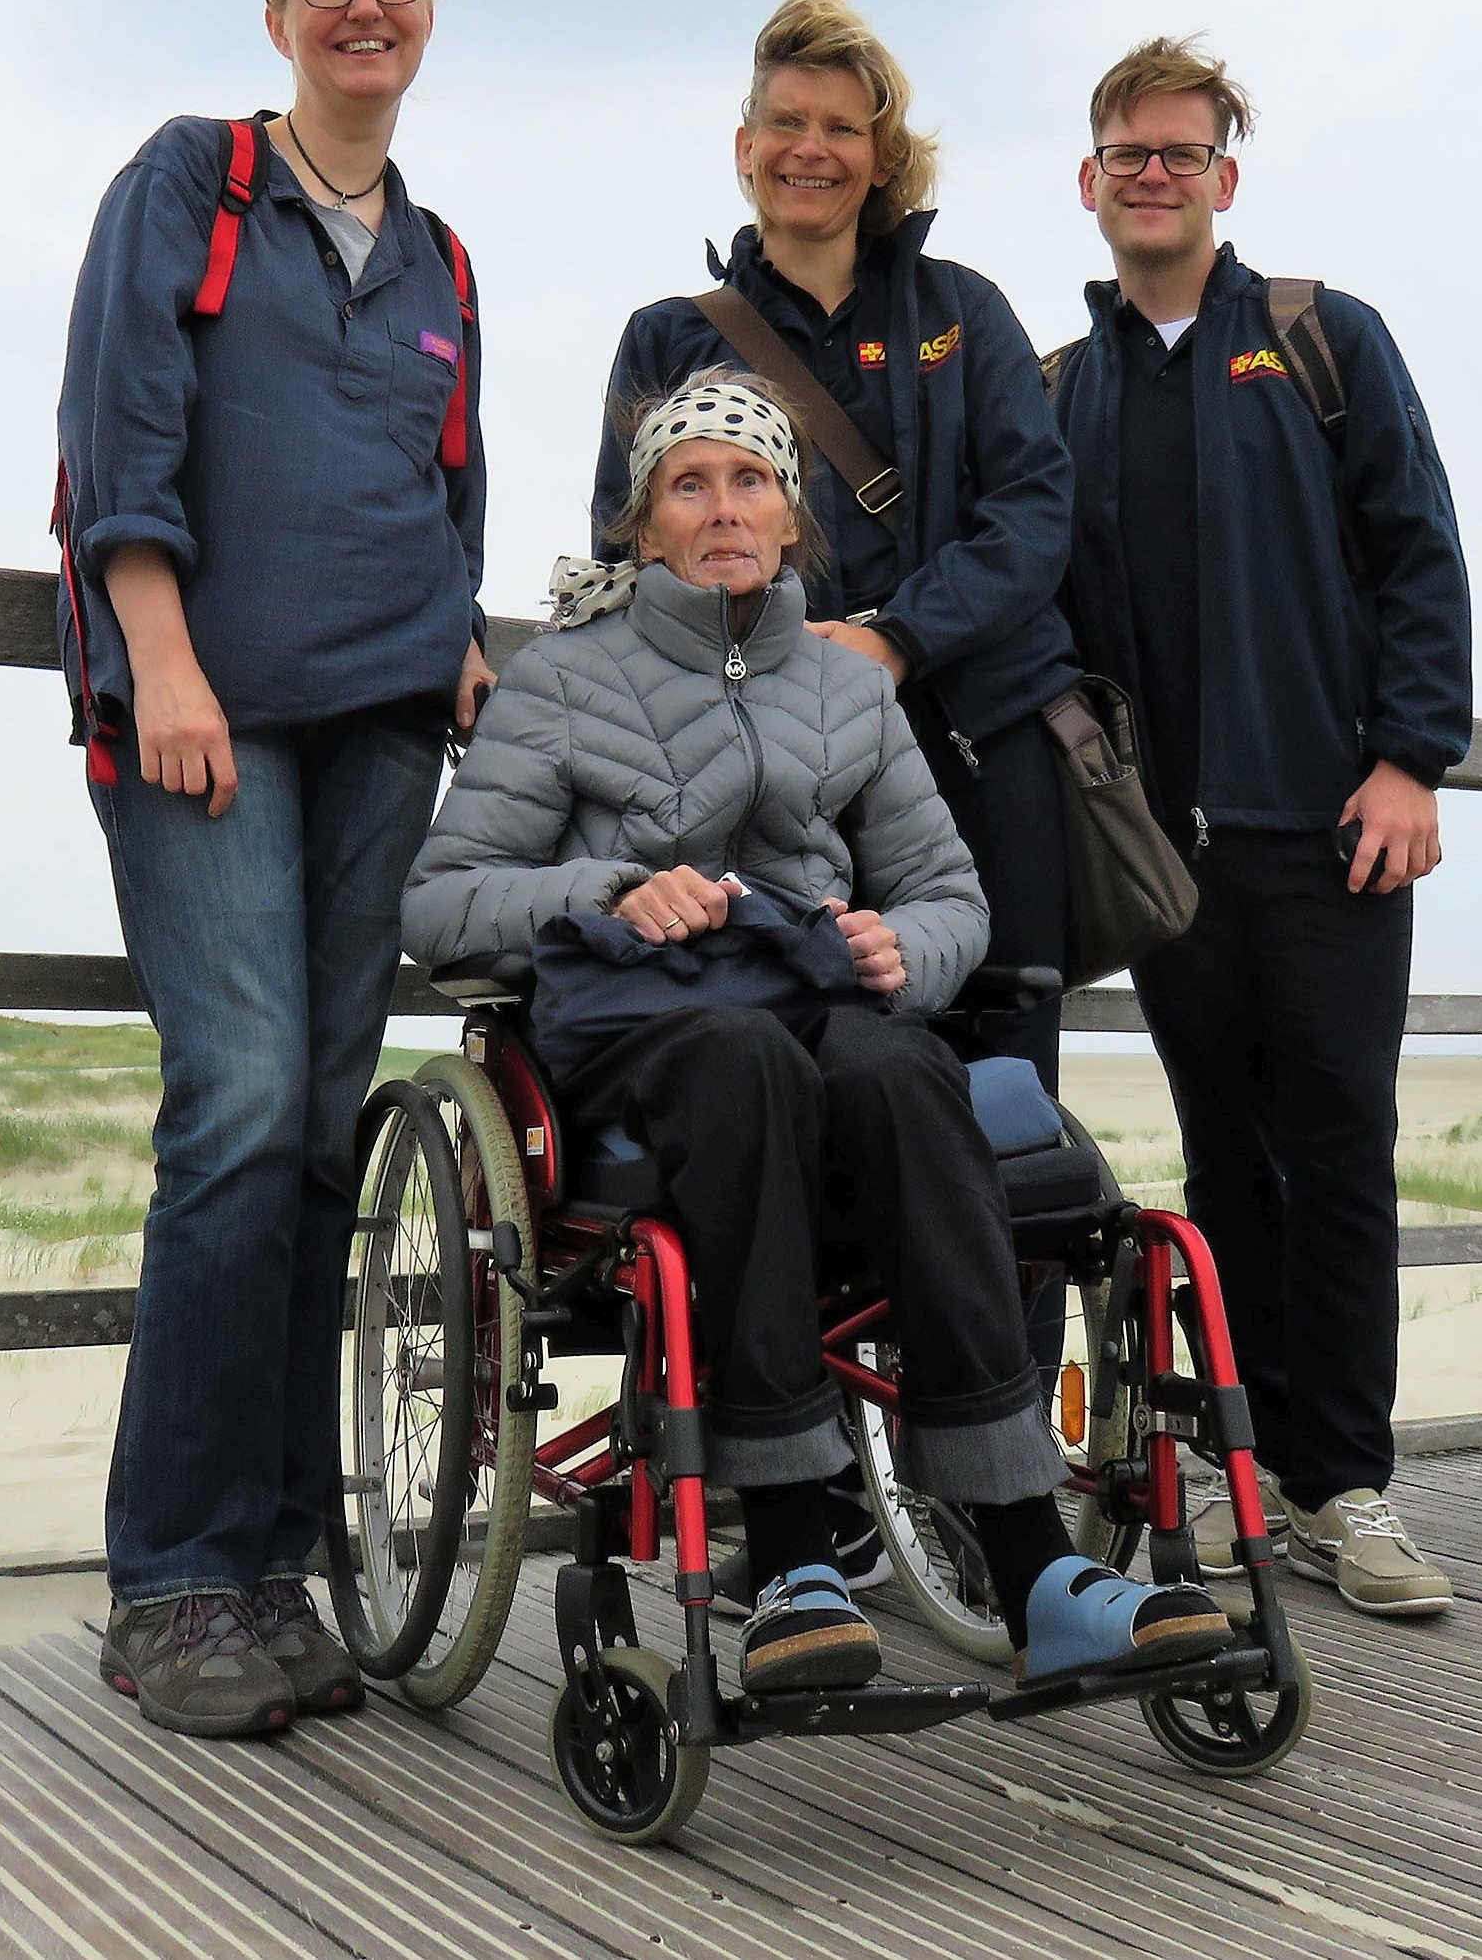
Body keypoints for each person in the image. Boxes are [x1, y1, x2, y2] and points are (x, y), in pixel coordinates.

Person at [407, 380, 1227, 1694]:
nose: (723, 508)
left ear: (792, 519)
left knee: (906, 1066)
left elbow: (949, 891)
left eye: (751, 482)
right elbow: (439, 905)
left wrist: (913, 948)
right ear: (643, 522)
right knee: (748, 1065)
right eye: (689, 483)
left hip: (816, 1002)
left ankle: (1029, 1557)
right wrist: (615, 889)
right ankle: (793, 1547)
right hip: (639, 1023)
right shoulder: (565, 678)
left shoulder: (847, 692)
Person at [52, 0, 493, 1741]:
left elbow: (448, 493)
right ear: (277, 16)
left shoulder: (443, 261)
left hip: (389, 727)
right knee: (233, 1110)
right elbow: (116, 434)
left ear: (425, 13)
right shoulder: (191, 182)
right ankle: (170, 1571)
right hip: (204, 724)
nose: (361, 7)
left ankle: (286, 1545)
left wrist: (465, 648)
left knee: (323, 1132)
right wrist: (159, 657)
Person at [594, 0, 1081, 1589]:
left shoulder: (968, 311)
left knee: (975, 1090)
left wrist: (890, 636)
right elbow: (632, 545)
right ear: (746, 150)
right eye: (785, 124)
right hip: (761, 754)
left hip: (967, 737)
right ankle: (789, 1480)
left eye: (840, 127)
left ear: (880, 154)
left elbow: (1033, 516)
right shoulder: (672, 339)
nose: (811, 150)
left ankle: (979, 1475)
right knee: (764, 1068)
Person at [1046, 37, 1473, 1619]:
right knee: (1225, 1167)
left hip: (1332, 828)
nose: (1152, 176)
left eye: (1181, 153)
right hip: (1166, 859)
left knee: (1337, 1153)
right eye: (1126, 154)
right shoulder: (1059, 389)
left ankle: (1346, 1485)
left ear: (1227, 178)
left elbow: (1417, 551)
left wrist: (1413, 760)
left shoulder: (1316, 339)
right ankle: (1251, 1475)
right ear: (1089, 182)